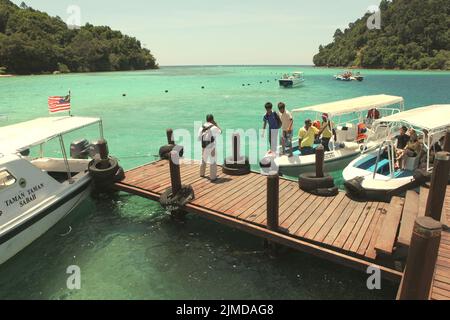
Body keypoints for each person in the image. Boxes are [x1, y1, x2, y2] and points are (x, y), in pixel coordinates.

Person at [198, 114, 222, 182]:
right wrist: (216, 125)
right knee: (213, 161)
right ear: (212, 119)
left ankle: (202, 173)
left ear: (206, 119)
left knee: (203, 160)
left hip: (204, 146)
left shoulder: (201, 127)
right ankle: (213, 177)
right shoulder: (214, 127)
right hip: (211, 146)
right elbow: (220, 132)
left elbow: (199, 137)